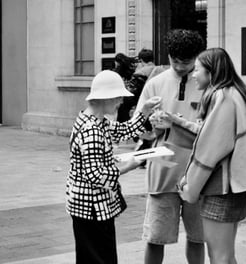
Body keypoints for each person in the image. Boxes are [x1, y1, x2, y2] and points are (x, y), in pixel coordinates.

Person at [176, 48, 246, 264]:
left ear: (211, 72)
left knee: (219, 256)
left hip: (223, 187)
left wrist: (190, 188)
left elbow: (209, 150)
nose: (193, 74)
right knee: (226, 255)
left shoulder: (222, 97)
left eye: (197, 70)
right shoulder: (237, 93)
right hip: (237, 184)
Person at [66, 70, 161, 264]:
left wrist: (144, 111)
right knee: (101, 258)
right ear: (105, 98)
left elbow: (125, 130)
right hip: (92, 207)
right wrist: (129, 165)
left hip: (87, 206)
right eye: (118, 97)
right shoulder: (92, 129)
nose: (120, 102)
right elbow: (96, 175)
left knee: (92, 257)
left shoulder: (93, 121)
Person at [136, 29, 205, 264]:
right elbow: (138, 127)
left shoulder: (208, 84)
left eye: (186, 62)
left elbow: (215, 128)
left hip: (198, 169)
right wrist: (152, 124)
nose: (179, 67)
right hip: (163, 167)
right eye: (174, 61)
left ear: (198, 57)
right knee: (155, 236)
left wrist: (178, 123)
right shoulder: (155, 84)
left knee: (198, 236)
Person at [113, 53, 138, 122]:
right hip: (130, 97)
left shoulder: (116, 73)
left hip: (121, 97)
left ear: (117, 62)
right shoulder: (130, 71)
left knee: (121, 117)